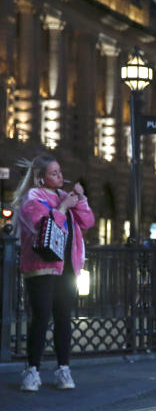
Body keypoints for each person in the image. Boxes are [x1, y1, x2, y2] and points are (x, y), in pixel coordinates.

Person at [13, 155, 95, 392]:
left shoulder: (63, 197)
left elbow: (87, 222)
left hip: (66, 267)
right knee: (40, 318)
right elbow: (41, 227)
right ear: (41, 178)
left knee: (63, 318)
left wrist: (79, 200)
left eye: (60, 171)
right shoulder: (33, 199)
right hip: (41, 267)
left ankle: (63, 369)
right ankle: (32, 370)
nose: (60, 176)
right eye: (54, 173)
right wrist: (62, 208)